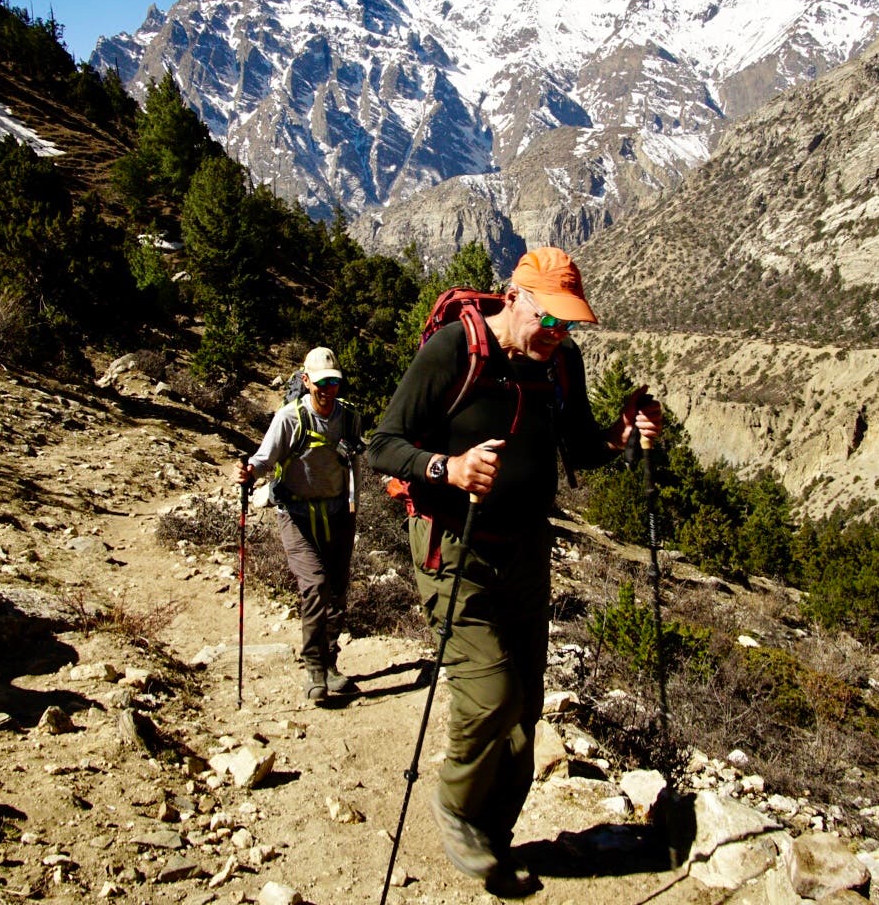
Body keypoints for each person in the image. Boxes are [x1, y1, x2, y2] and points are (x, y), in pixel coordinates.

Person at [368, 247, 662, 894]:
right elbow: (383, 444)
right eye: (550, 321)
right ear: (515, 298)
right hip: (454, 543)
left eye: (568, 326)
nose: (557, 336)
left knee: (527, 707)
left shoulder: (560, 363)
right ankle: (456, 808)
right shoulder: (455, 350)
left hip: (526, 546)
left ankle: (493, 835)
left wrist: (623, 432)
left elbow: (579, 445)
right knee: (492, 693)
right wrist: (449, 467)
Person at [237, 346, 362, 706]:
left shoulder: (350, 417)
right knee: (316, 586)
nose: (327, 389)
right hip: (295, 515)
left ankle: (331, 663)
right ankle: (314, 669)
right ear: (305, 381)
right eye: (320, 382)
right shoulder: (290, 419)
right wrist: (248, 473)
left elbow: (355, 457)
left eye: (333, 382)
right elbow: (263, 459)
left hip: (339, 513)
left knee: (337, 592)